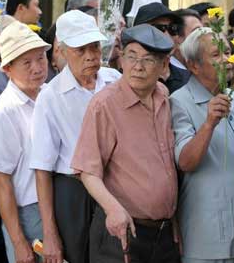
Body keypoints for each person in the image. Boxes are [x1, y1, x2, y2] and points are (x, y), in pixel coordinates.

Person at [71, 24, 180, 262]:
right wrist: (113, 209)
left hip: (163, 234)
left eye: (148, 60)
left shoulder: (163, 95)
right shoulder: (105, 105)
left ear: (163, 66)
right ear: (121, 60)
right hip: (121, 231)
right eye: (131, 57)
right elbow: (87, 171)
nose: (138, 67)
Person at [30, 10, 121, 263]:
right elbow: (42, 169)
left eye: (94, 47)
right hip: (73, 192)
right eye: (81, 50)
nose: (91, 56)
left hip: (115, 185)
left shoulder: (115, 81)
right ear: (62, 50)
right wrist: (49, 233)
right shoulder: (51, 97)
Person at [170, 27, 234, 263]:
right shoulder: (180, 101)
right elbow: (185, 161)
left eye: (227, 52)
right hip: (207, 233)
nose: (227, 60)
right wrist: (208, 124)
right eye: (216, 55)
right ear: (194, 66)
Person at [0, 21, 50, 263]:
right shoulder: (5, 112)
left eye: (41, 59)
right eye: (26, 63)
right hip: (28, 212)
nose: (37, 68)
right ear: (7, 68)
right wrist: (18, 241)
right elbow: (1, 180)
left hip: (55, 205)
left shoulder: (48, 95)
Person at [134, 2, 189, 94]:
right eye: (158, 29)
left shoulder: (188, 79)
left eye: (172, 28)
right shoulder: (124, 78)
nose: (167, 35)